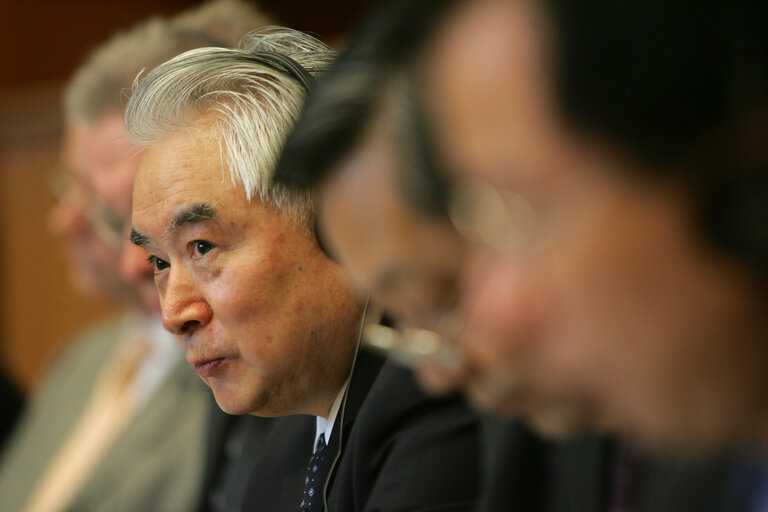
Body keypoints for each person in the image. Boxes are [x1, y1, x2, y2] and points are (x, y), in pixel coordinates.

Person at [126, 26, 480, 512]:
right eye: (161, 263)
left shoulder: (431, 400)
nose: (173, 313)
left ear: (335, 221)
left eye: (203, 246)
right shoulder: (283, 449)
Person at [0, 2, 272, 511]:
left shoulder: (240, 378)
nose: (63, 222)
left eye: (106, 211)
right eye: (69, 185)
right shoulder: (78, 360)